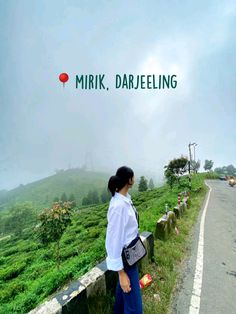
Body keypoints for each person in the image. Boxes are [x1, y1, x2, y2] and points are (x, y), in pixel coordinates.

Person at [105, 166, 143, 314]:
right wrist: (121, 273)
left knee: (123, 299)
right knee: (134, 308)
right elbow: (113, 240)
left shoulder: (125, 199)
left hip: (131, 256)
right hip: (125, 261)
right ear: (129, 180)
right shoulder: (118, 206)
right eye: (133, 177)